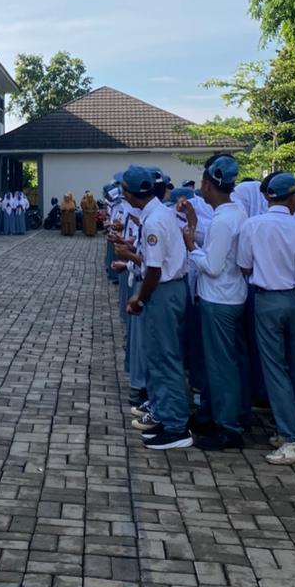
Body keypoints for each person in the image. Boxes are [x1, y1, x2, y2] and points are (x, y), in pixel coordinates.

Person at [236, 172, 295, 465]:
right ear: (293, 197)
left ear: (268, 197)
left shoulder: (253, 225)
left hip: (268, 299)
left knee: (275, 369)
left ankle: (292, 436)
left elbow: (244, 266)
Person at [181, 155, 249, 451]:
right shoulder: (237, 212)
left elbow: (212, 265)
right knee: (227, 363)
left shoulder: (223, 220)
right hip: (232, 294)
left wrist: (190, 248)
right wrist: (194, 227)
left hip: (219, 297)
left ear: (208, 184)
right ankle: (219, 415)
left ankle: (228, 427)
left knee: (221, 366)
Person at [123, 164, 193, 450]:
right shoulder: (159, 214)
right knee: (160, 357)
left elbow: (153, 269)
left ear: (129, 193)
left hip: (163, 291)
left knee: (165, 359)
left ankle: (176, 427)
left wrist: (139, 298)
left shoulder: (153, 221)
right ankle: (165, 415)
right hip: (168, 289)